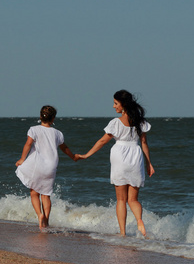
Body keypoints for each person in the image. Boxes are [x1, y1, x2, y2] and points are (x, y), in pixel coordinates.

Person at [77, 90, 155, 237]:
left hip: (120, 156)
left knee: (121, 199)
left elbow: (102, 141)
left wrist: (87, 155)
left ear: (123, 105)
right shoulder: (141, 122)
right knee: (133, 199)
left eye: (115, 103)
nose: (114, 106)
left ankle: (123, 233)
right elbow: (144, 143)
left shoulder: (115, 123)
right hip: (135, 156)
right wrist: (149, 163)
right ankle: (139, 220)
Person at [16, 105, 78, 230]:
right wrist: (73, 156)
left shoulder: (34, 129)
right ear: (53, 118)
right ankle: (46, 222)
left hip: (37, 164)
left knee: (34, 192)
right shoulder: (57, 133)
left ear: (40, 116)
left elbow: (28, 144)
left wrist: (22, 159)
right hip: (51, 166)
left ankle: (39, 215)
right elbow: (64, 148)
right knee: (46, 194)